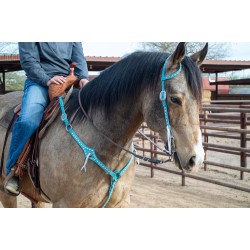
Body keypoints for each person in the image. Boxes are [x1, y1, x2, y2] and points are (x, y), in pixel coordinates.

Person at [4, 42, 89, 195]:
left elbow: (78, 57)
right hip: (40, 83)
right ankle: (13, 170)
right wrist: (47, 79)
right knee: (28, 120)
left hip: (68, 81)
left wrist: (83, 78)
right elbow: (28, 60)